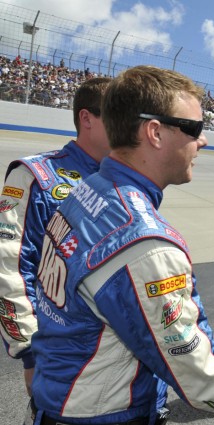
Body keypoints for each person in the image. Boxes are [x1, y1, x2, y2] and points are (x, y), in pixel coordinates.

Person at [28, 66, 214, 425]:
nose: (203, 140)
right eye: (194, 128)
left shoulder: (86, 192)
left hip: (59, 397)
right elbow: (199, 374)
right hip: (103, 414)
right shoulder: (142, 241)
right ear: (154, 133)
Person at [0, 77, 111, 397]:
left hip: (120, 357)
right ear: (87, 118)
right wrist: (31, 351)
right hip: (62, 355)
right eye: (117, 115)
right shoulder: (34, 175)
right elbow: (9, 265)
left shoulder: (126, 182)